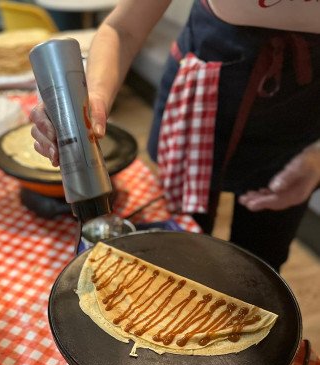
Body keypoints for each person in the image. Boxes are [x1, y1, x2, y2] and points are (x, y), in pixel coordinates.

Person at [30, 0, 320, 271]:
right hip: (196, 112)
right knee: (185, 250)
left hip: (299, 129)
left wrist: (316, 160)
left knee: (261, 263)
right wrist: (89, 101)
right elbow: (123, 28)